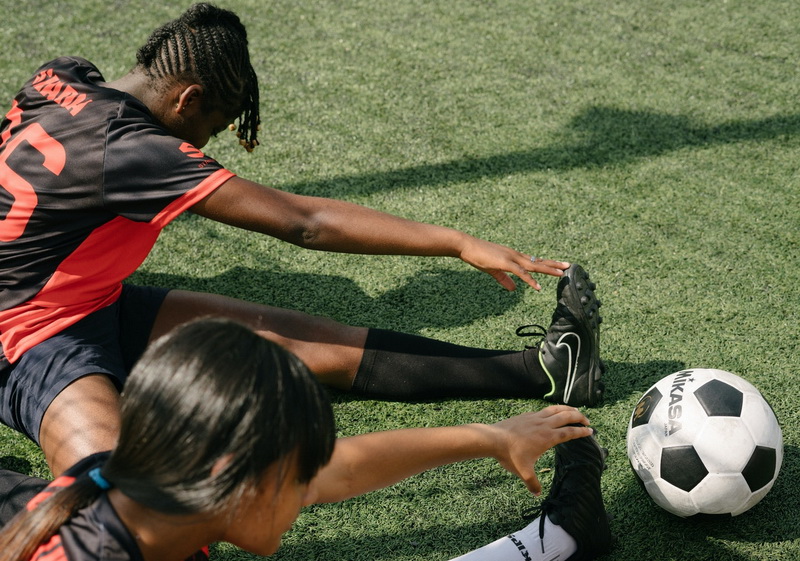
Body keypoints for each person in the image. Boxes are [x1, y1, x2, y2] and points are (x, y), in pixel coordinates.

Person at [0, 3, 604, 477]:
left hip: (88, 301)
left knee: (317, 346)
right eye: (211, 127)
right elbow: (303, 222)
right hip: (24, 333)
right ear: (188, 99)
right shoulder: (140, 154)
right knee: (121, 504)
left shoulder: (61, 77)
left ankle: (546, 373)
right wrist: (454, 240)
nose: (204, 146)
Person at [0, 318, 612, 561]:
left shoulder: (146, 489)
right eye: (295, 481)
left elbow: (339, 471)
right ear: (227, 475)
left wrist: (490, 437)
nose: (307, 495)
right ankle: (556, 541)